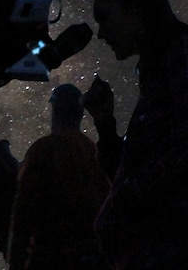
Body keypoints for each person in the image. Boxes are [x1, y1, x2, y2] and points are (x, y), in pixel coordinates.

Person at [83, 0, 188, 270]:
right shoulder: (166, 66)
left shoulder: (184, 52)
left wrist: (130, 199)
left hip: (178, 251)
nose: (100, 33)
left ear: (137, 11)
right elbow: (131, 175)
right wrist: (105, 123)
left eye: (104, 16)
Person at [7, 83, 111, 270]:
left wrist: (16, 262)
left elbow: (23, 212)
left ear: (55, 111)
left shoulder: (43, 150)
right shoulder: (92, 151)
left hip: (50, 259)